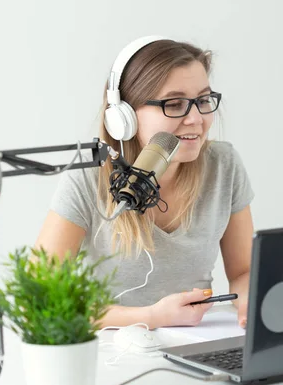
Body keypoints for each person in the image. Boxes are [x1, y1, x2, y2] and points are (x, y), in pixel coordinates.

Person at [35, 36, 255, 329]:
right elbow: (41, 297)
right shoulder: (88, 177)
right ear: (124, 117)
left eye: (203, 101)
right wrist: (150, 317)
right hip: (111, 351)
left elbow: (244, 271)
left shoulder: (223, 165)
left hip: (197, 341)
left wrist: (251, 302)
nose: (195, 119)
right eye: (174, 104)